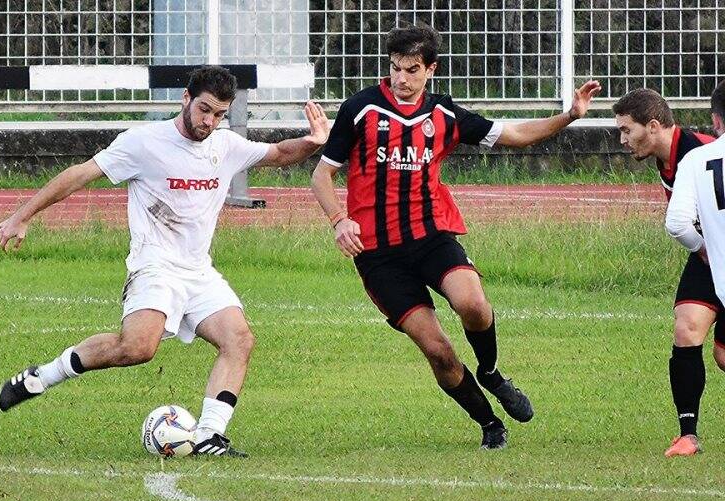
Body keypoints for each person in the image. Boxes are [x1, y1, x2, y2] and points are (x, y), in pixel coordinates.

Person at [0, 65, 330, 457]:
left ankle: (209, 435)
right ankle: (42, 376)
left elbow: (279, 153)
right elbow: (80, 175)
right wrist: (22, 215)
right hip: (154, 265)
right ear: (186, 99)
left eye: (219, 114)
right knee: (137, 348)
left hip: (198, 270)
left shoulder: (226, 145)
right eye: (204, 109)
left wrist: (314, 140)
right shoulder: (143, 142)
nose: (210, 121)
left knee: (238, 338)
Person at [311, 24, 600, 449]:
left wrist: (570, 116)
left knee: (474, 304)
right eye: (395, 68)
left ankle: (491, 371)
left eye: (411, 70)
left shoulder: (444, 114)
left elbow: (513, 136)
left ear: (431, 69)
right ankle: (489, 425)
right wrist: (339, 219)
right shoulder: (360, 109)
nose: (401, 79)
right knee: (439, 351)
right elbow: (322, 175)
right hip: (378, 256)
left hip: (431, 238)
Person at [613, 88, 720, 457]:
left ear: (653, 125)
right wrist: (702, 247)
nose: (622, 140)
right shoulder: (666, 157)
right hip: (705, 253)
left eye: (627, 130)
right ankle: (688, 435)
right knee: (686, 327)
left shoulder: (702, 150)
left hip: (711, 250)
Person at [664, 80, 725, 456]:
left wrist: (705, 247)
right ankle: (688, 432)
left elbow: (677, 223)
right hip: (711, 269)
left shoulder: (696, 160)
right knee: (688, 328)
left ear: (716, 120)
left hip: (713, 262)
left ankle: (687, 439)